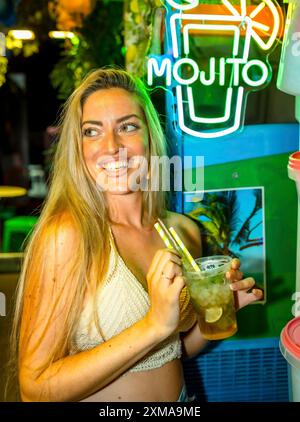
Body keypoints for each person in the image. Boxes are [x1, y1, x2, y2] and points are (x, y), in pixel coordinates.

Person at [11, 68, 263, 402]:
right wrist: (153, 325)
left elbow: (170, 352)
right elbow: (36, 387)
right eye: (92, 132)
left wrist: (218, 313)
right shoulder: (68, 236)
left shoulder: (182, 232)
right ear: (78, 147)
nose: (111, 147)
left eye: (127, 126)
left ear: (150, 136)